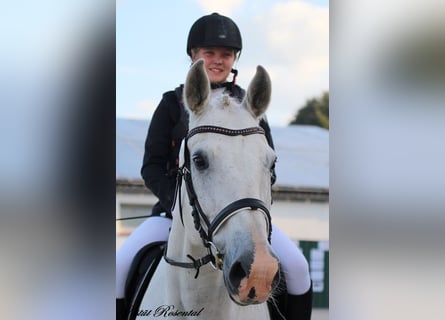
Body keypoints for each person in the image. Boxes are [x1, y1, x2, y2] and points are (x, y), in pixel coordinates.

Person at [116, 13, 312, 320]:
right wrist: (181, 208)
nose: (218, 60)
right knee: (117, 266)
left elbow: (266, 166)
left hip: (235, 217)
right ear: (194, 56)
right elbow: (152, 167)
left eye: (225, 54)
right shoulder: (171, 104)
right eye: (209, 53)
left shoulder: (250, 108)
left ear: (234, 59)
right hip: (174, 216)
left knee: (298, 269)